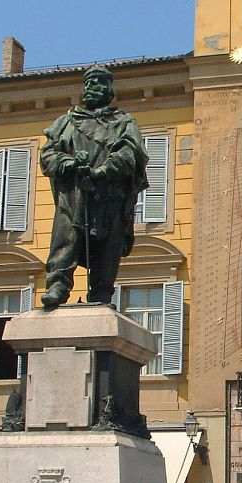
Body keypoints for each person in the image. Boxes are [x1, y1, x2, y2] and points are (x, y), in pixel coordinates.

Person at [39, 66, 149, 307]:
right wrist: (69, 163)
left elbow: (132, 154)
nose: (91, 88)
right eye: (88, 84)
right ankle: (58, 285)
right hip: (75, 196)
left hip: (110, 196)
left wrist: (104, 170)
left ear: (109, 89)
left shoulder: (124, 123)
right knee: (66, 240)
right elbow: (47, 155)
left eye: (98, 83)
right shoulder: (67, 122)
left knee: (108, 249)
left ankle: (101, 291)